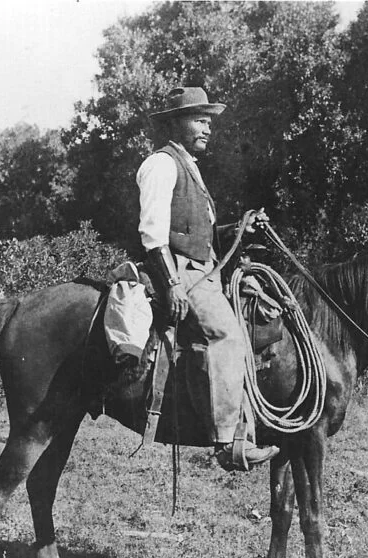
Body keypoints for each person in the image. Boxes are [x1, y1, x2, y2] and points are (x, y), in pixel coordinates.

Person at [137, 86, 279, 470]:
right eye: (200, 120)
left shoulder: (190, 167)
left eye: (208, 121)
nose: (208, 129)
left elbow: (198, 234)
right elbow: (152, 234)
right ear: (176, 123)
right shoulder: (161, 165)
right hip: (183, 272)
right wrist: (172, 285)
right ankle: (226, 442)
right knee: (225, 336)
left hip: (206, 271)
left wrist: (241, 229)